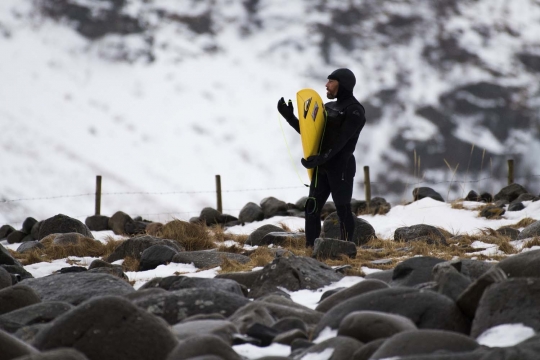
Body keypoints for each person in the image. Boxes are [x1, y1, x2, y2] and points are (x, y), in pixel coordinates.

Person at [277, 68, 366, 247]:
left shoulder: (355, 110)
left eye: (331, 82)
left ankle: (347, 250)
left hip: (341, 166)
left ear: (343, 84)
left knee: (342, 209)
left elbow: (342, 141)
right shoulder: (328, 107)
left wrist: (320, 159)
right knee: (311, 208)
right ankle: (311, 248)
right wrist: (289, 117)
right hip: (323, 166)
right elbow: (310, 134)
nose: (326, 85)